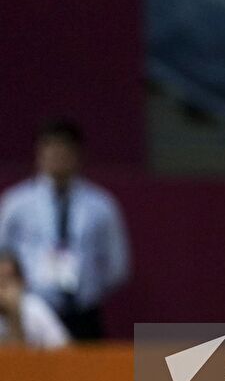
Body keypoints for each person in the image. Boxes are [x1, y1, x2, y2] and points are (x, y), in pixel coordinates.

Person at [0, 118, 131, 340]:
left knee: (90, 373)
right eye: (50, 147)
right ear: (39, 152)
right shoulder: (16, 203)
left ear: (78, 154)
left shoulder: (101, 205)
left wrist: (89, 289)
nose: (57, 155)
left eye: (64, 148)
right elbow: (3, 254)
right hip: (33, 308)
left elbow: (117, 265)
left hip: (83, 311)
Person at [0, 247, 69, 348]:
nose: (3, 286)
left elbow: (66, 351)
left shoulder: (35, 309)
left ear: (22, 282)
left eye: (8, 279)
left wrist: (15, 313)